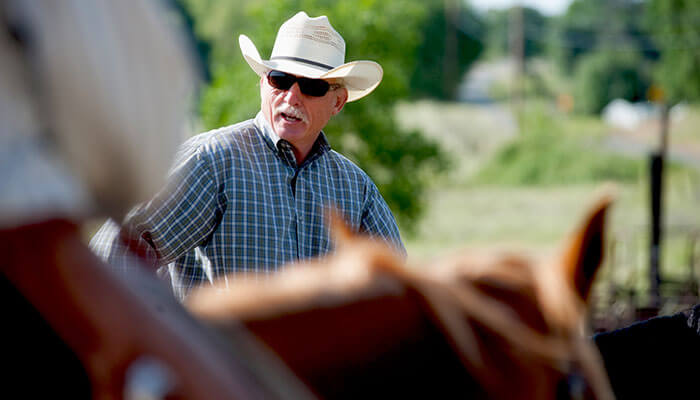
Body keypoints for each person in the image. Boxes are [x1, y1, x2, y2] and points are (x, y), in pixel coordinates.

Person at [90, 11, 405, 300]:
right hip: (214, 359)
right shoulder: (214, 160)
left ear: (337, 102)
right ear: (263, 84)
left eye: (312, 86)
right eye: (280, 80)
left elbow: (397, 291)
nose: (291, 96)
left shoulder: (355, 188)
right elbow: (113, 254)